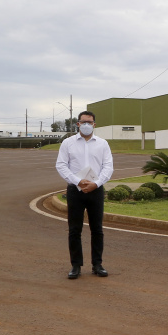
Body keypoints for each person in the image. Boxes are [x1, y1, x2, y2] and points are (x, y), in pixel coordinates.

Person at [55, 111, 114, 279]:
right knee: (74, 229)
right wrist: (77, 181)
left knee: (97, 229)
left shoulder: (102, 144)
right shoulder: (68, 143)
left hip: (96, 189)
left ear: (95, 124)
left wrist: (96, 183)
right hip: (75, 190)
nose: (87, 125)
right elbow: (61, 165)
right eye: (83, 122)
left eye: (90, 122)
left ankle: (97, 264)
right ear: (78, 124)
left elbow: (108, 167)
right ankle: (75, 265)